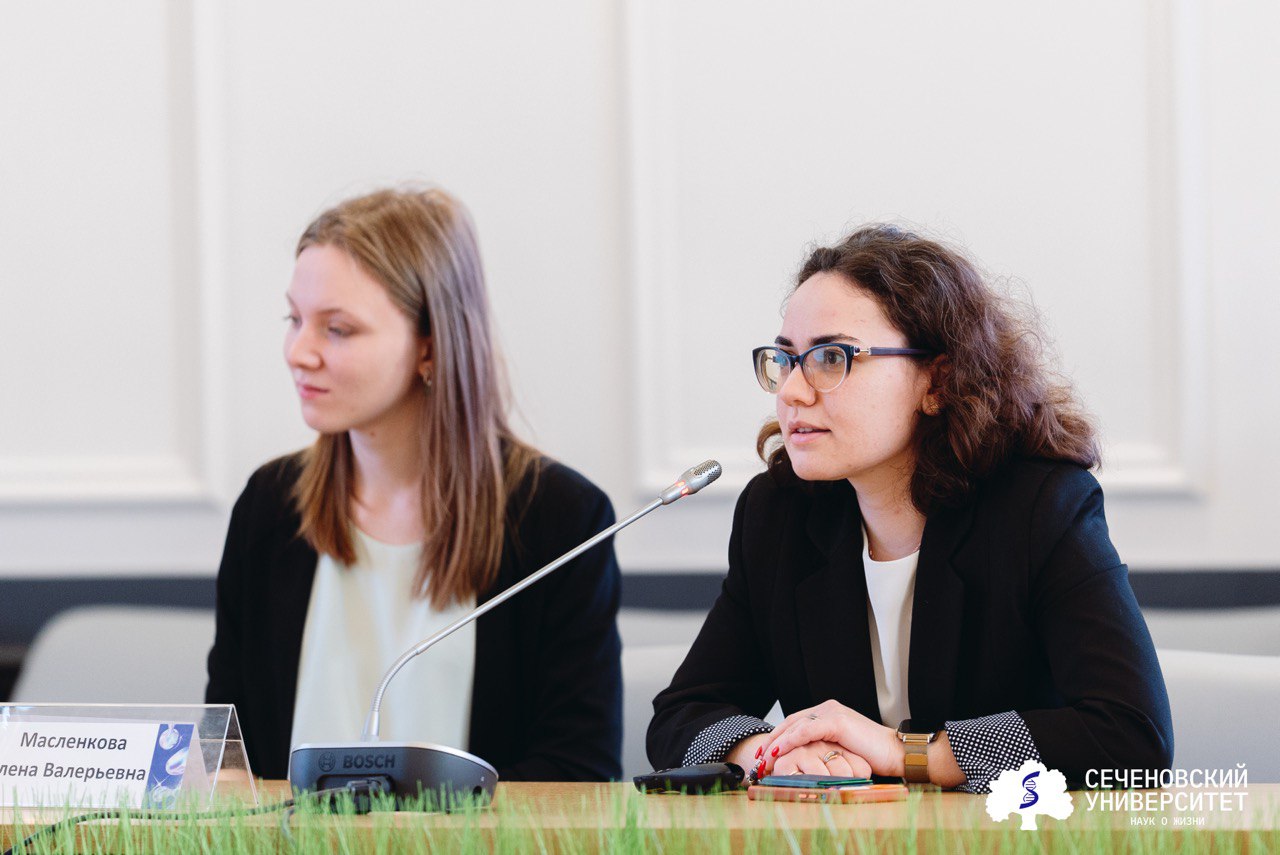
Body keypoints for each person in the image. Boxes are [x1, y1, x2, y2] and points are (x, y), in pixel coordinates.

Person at [646, 224, 1173, 792]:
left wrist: (908, 754)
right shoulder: (779, 514)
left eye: (831, 357)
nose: (792, 392)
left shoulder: (1039, 507)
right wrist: (773, 752)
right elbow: (681, 715)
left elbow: (1132, 737)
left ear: (937, 382)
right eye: (786, 359)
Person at [206, 187, 622, 782]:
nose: (298, 352)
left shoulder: (561, 518)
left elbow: (577, 773)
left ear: (430, 345)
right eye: (294, 320)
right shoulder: (268, 505)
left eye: (337, 329)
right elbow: (227, 751)